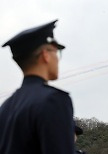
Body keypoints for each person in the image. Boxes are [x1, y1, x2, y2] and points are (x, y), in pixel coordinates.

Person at [0, 20, 74, 154]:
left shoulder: (5, 108)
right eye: (56, 52)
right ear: (45, 55)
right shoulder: (53, 100)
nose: (58, 59)